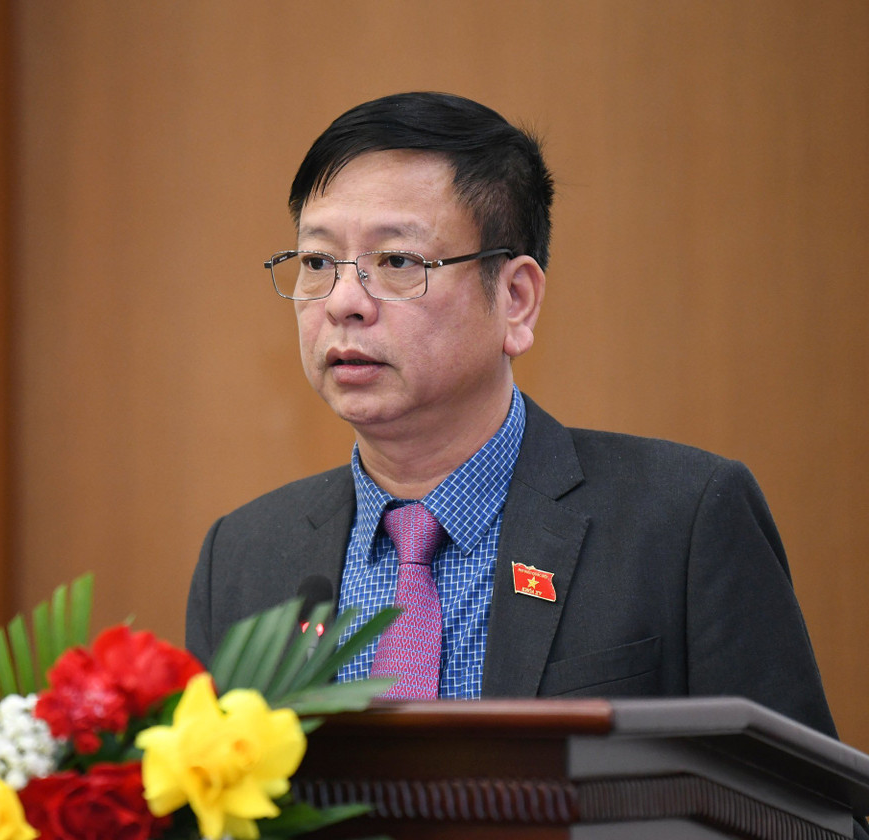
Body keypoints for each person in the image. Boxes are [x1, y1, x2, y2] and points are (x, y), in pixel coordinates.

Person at [185, 92, 838, 739]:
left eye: (397, 261)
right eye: (318, 262)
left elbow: (795, 800)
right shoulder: (242, 559)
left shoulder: (682, 521)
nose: (342, 302)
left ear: (516, 299)